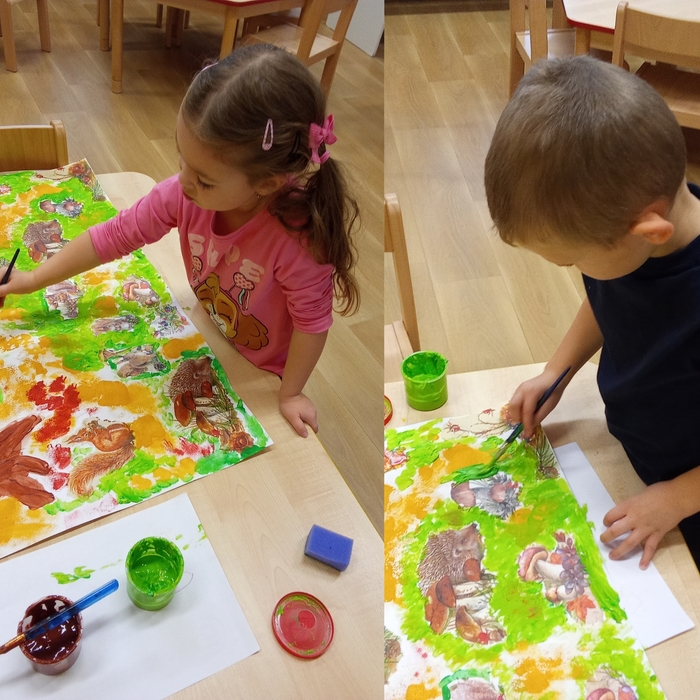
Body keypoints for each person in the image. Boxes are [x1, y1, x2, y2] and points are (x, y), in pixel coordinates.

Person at [0, 44, 359, 439]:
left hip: (261, 370)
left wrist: (291, 393)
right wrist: (32, 280)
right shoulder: (185, 193)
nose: (183, 182)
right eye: (181, 159)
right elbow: (114, 235)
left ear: (266, 183)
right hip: (211, 331)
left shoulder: (299, 241)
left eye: (203, 179)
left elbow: (312, 324)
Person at [484, 55, 700, 572]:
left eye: (573, 260)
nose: (576, 272)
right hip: (634, 458)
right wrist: (556, 370)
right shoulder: (636, 244)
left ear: (647, 231)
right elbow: (609, 297)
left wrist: (676, 498)